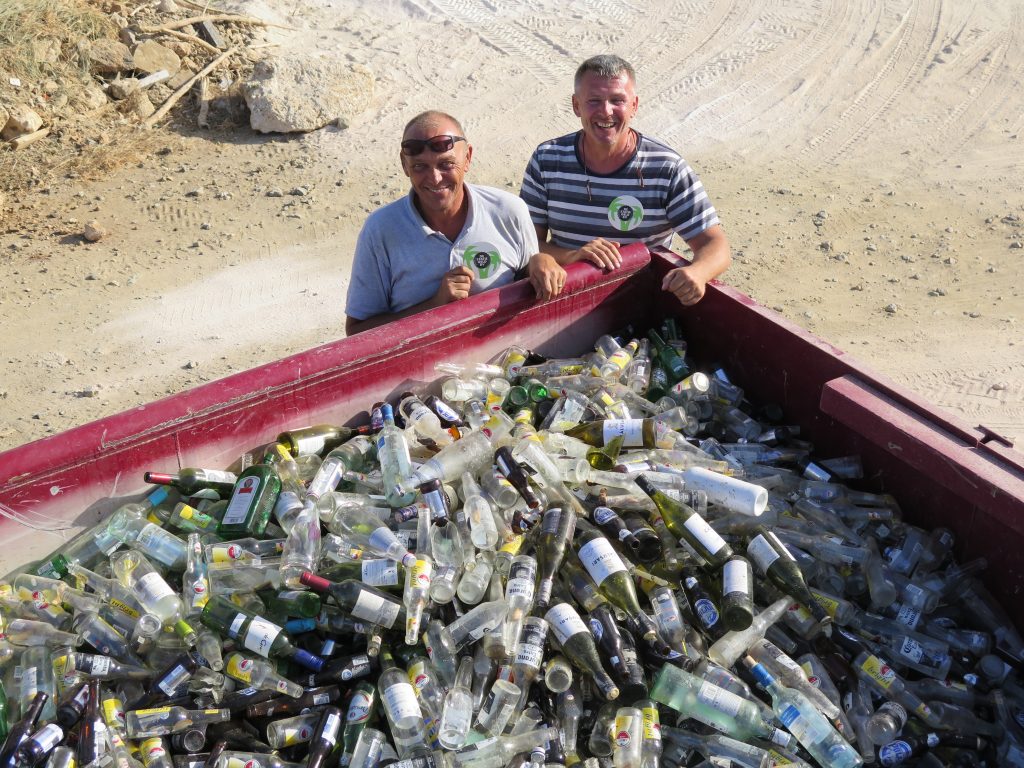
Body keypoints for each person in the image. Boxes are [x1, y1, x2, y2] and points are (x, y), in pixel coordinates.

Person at [521, 54, 731, 304]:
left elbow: (715, 244)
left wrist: (697, 273)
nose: (606, 111)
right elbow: (526, 244)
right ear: (577, 105)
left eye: (617, 100)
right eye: (594, 101)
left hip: (643, 303)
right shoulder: (547, 160)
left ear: (634, 105)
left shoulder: (666, 167)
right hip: (564, 301)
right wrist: (573, 256)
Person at [345, 111, 562, 335]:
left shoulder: (508, 211)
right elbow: (357, 331)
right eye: (420, 167)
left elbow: (531, 287)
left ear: (467, 157)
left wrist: (542, 260)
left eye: (446, 164)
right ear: (404, 164)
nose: (435, 178)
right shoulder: (380, 230)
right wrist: (434, 305)